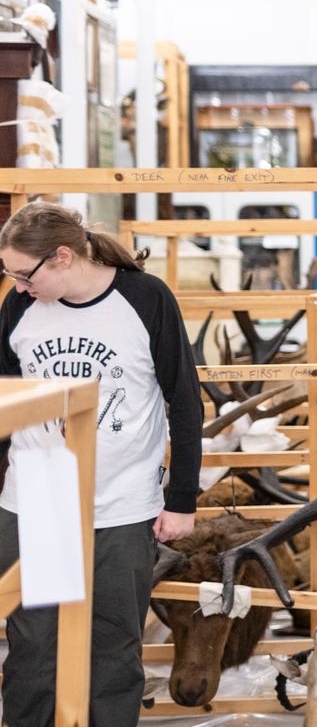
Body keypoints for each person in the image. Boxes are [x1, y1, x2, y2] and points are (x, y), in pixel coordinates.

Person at [0, 201, 201, 727]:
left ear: (62, 257)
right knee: (33, 648)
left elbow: (184, 401)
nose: (19, 286)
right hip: (37, 502)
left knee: (114, 647)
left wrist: (182, 501)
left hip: (121, 505)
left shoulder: (145, 297)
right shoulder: (20, 309)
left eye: (24, 274)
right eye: (11, 275)